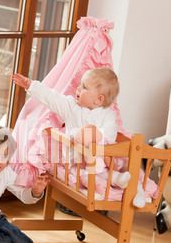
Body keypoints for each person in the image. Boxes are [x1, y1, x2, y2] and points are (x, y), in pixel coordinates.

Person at [13, 67, 146, 206]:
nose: (78, 88)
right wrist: (31, 85)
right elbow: (52, 97)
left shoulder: (107, 115)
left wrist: (97, 142)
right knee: (91, 175)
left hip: (104, 160)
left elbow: (110, 134)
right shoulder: (71, 107)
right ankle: (118, 179)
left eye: (84, 87)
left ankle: (137, 190)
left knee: (127, 166)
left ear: (98, 99)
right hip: (79, 162)